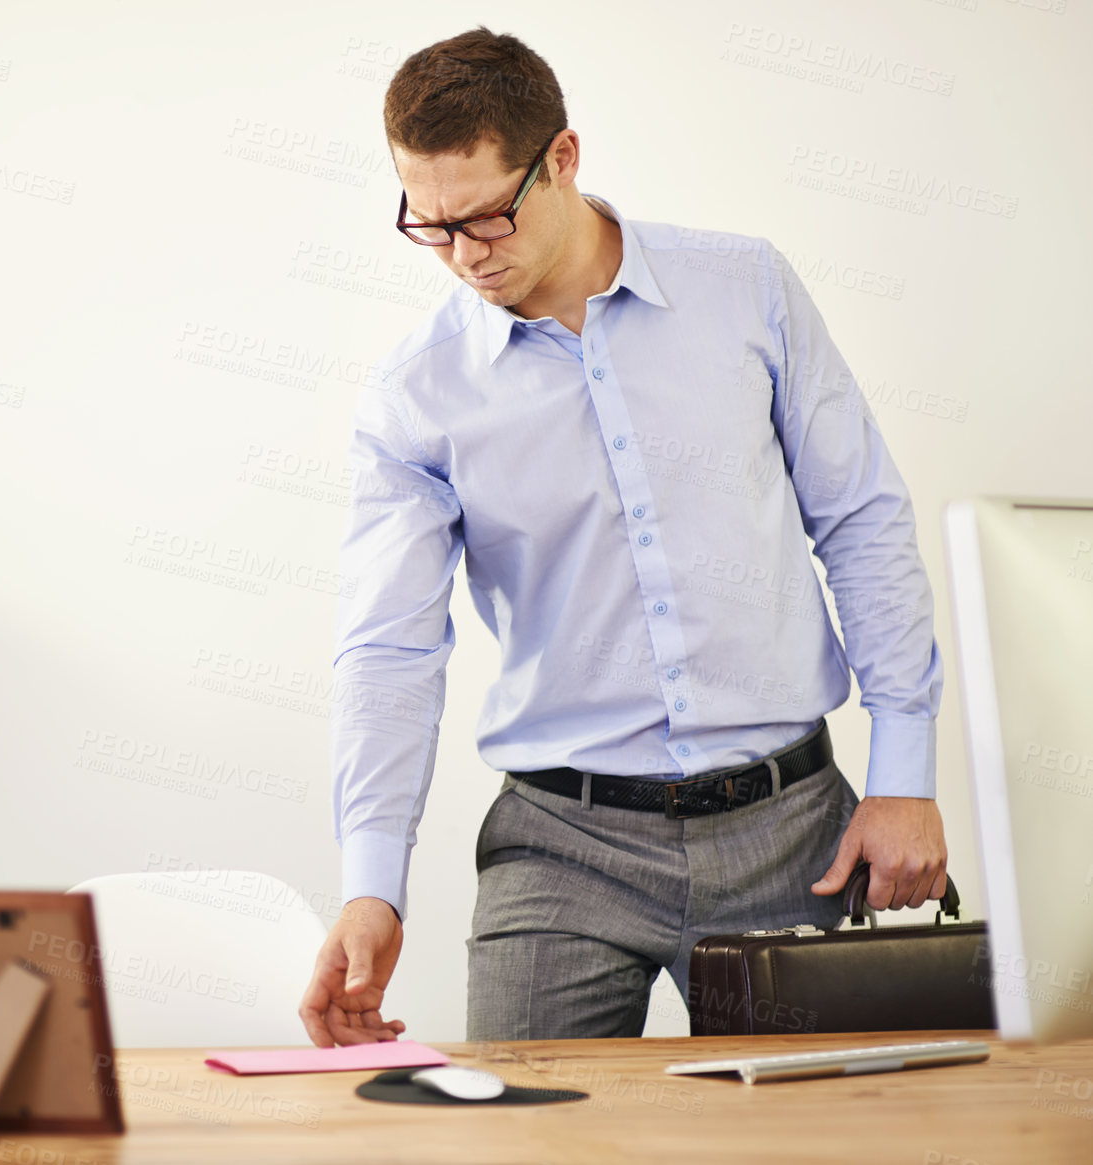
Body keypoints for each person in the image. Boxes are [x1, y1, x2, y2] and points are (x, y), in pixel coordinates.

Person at [298, 26, 947, 1047]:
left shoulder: (746, 290)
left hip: (790, 834)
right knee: (513, 1139)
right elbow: (391, 647)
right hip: (559, 849)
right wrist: (371, 884)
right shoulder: (416, 394)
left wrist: (905, 770)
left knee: (830, 1145)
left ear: (561, 158)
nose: (465, 255)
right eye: (431, 227)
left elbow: (859, 520)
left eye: (486, 217)